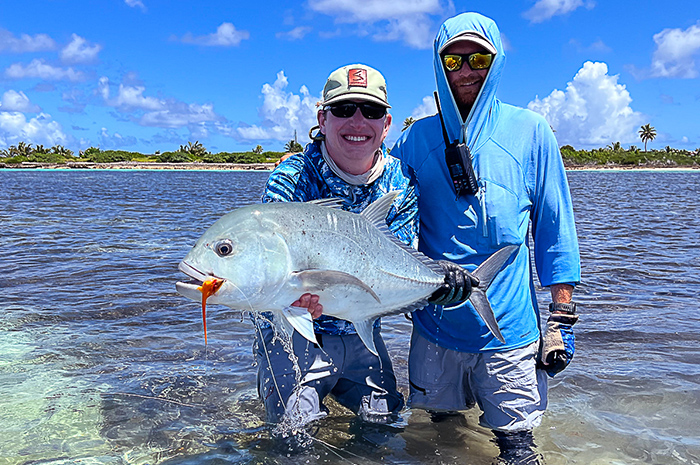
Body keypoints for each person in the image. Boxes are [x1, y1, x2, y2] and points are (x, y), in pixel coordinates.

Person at [391, 12, 581, 463]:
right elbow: (388, 223)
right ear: (439, 67)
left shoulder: (532, 131)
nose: (467, 71)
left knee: (517, 447)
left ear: (495, 62)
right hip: (434, 327)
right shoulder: (414, 139)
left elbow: (555, 228)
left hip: (511, 331)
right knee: (441, 442)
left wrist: (562, 317)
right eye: (453, 62)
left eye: (478, 58)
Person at [256, 63, 434, 435]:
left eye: (370, 111)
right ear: (323, 119)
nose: (357, 121)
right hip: (294, 333)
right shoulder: (294, 176)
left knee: (385, 430)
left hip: (362, 328)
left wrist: (440, 288)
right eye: (343, 109)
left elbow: (399, 258)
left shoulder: (401, 182)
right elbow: (271, 264)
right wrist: (292, 297)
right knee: (292, 437)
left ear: (386, 125)